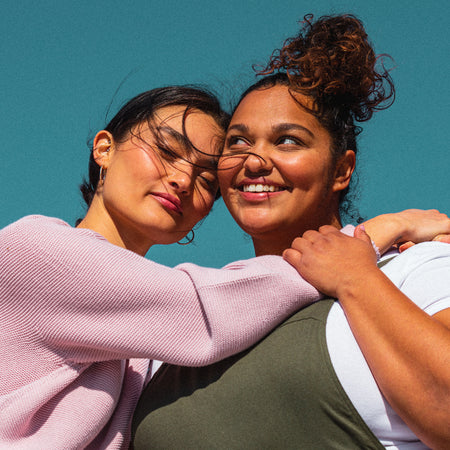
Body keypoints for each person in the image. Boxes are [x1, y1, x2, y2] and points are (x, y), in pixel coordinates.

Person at [131, 15, 450, 449]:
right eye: (238, 142)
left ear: (341, 170)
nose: (255, 160)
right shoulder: (182, 324)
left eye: (288, 141)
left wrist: (356, 277)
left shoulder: (411, 269)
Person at [0, 85, 349, 449]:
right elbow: (206, 311)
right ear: (105, 148)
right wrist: (364, 239)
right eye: (167, 151)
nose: (183, 180)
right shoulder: (35, 249)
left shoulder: (140, 344)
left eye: (207, 181)